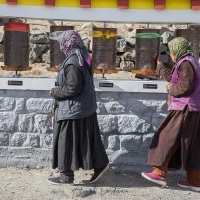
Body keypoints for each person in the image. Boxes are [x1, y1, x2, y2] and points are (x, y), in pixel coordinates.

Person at [47, 30, 109, 184]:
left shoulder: (73, 62)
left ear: (67, 44)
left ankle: (66, 176)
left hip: (73, 110)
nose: (61, 47)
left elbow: (72, 88)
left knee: (65, 141)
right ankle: (100, 165)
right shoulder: (83, 57)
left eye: (62, 43)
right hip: (84, 107)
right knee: (89, 139)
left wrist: (55, 92)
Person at [141, 37, 200, 191]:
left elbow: (185, 86)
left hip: (184, 108)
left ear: (177, 50)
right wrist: (160, 66)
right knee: (190, 145)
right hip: (190, 108)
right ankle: (195, 181)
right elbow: (174, 77)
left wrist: (170, 89)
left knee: (165, 137)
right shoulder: (188, 60)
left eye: (172, 52)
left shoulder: (186, 63)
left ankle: (159, 173)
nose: (171, 55)